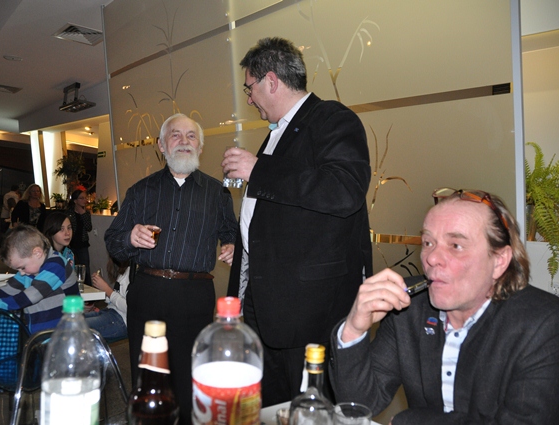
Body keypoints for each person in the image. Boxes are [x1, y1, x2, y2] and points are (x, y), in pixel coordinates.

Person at [221, 37, 372, 406]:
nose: (249, 99)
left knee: (310, 409)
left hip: (309, 311)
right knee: (272, 408)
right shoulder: (277, 133)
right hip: (265, 304)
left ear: (271, 81)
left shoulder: (332, 120)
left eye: (250, 88)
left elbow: (344, 191)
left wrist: (258, 170)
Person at [330, 188, 559, 424]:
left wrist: (411, 421)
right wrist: (353, 330)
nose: (431, 258)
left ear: (499, 261)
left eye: (455, 245)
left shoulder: (544, 324)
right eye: (428, 242)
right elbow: (358, 406)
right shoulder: (409, 308)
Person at [104, 113, 238, 424]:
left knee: (191, 378)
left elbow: (231, 232)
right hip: (147, 293)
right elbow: (113, 241)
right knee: (147, 375)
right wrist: (130, 237)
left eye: (191, 136)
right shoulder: (140, 191)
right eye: (175, 135)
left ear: (200, 147)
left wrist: (233, 246)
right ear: (162, 145)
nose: (184, 141)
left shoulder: (217, 193)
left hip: (196, 296)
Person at [0, 224, 79, 333]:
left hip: (66, 333)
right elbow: (9, 289)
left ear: (37, 253)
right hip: (44, 332)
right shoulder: (31, 269)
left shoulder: (56, 265)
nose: (21, 273)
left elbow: (32, 295)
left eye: (22, 267)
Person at [85, 257, 129, 342]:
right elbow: (115, 298)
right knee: (70, 321)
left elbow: (129, 308)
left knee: (74, 326)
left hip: (121, 320)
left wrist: (107, 290)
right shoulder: (124, 270)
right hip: (110, 311)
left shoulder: (133, 272)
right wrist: (102, 291)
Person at [67, 189, 92, 286]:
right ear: (75, 201)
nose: (84, 200)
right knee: (71, 267)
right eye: (81, 198)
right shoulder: (69, 213)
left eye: (85, 198)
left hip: (82, 244)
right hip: (71, 244)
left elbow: (89, 227)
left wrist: (83, 214)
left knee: (85, 268)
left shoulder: (86, 213)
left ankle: (88, 287)